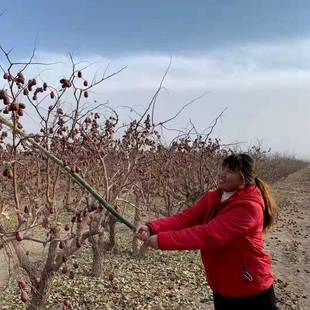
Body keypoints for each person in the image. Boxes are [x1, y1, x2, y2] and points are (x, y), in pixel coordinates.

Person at [136, 153, 278, 310]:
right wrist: (152, 227)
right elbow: (185, 219)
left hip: (250, 290)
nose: (222, 173)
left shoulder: (249, 208)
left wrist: (161, 240)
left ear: (243, 178)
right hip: (223, 287)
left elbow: (208, 234)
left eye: (230, 171)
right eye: (222, 168)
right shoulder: (213, 197)